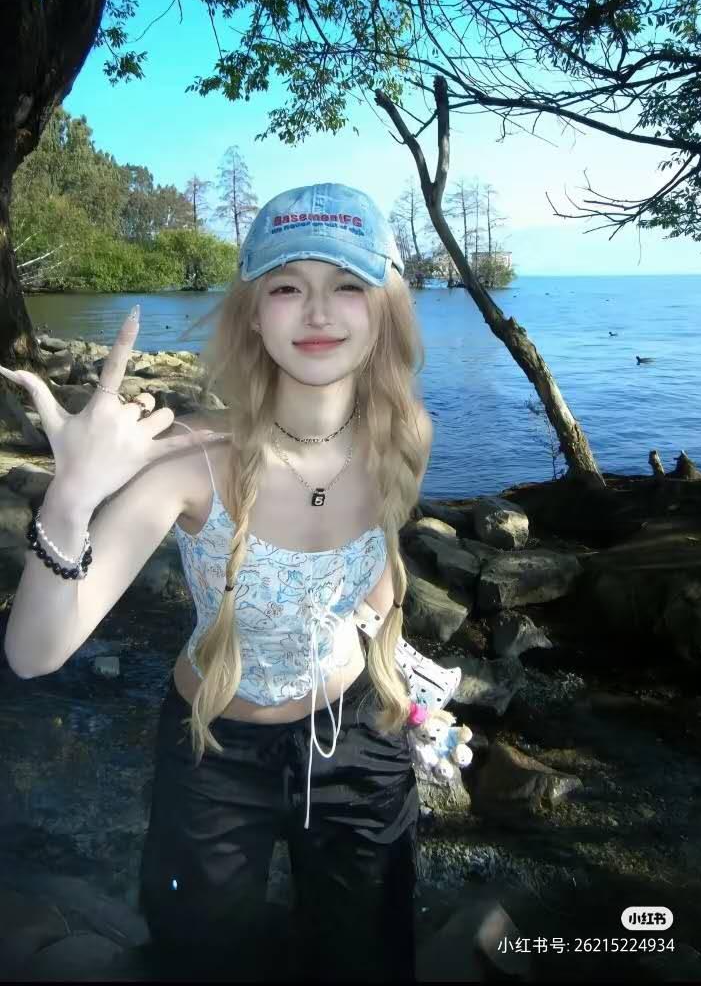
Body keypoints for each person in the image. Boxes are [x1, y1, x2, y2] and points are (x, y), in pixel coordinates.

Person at [2, 183, 437, 984]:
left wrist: (408, 694)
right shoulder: (191, 464)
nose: (318, 311)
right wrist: (71, 498)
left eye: (348, 284)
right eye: (287, 286)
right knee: (201, 959)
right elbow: (33, 654)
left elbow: (377, 586)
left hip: (361, 741)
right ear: (253, 314)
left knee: (370, 955)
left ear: (386, 310)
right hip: (213, 750)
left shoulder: (401, 434)